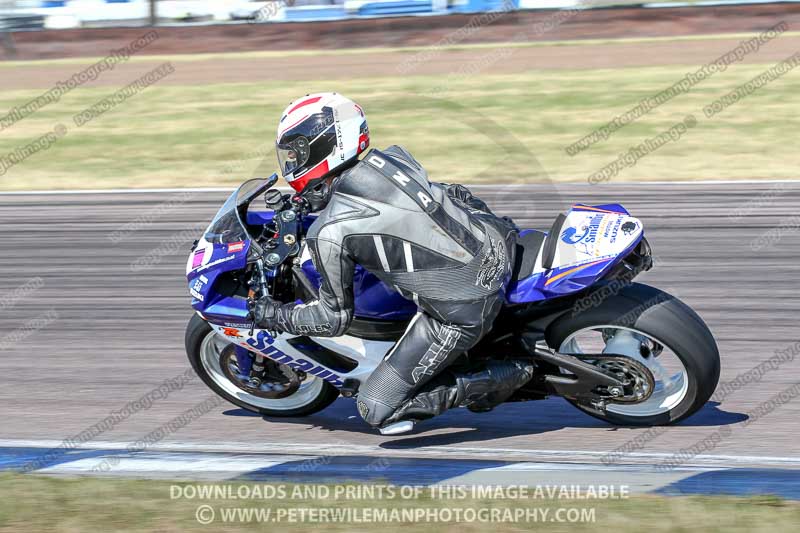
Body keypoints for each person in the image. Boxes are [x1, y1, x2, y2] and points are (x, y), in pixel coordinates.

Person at [253, 92, 533, 434]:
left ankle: (507, 375)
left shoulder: (330, 232)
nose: (292, 162)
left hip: (466, 305)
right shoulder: (394, 159)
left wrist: (271, 316)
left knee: (375, 409)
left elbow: (332, 320)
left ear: (323, 146)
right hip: (498, 240)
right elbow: (455, 193)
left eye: (297, 152)